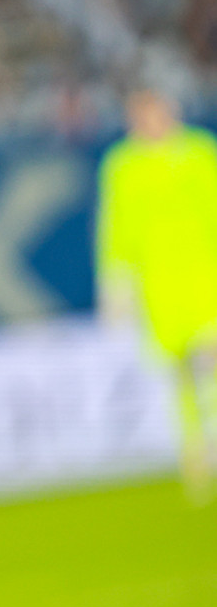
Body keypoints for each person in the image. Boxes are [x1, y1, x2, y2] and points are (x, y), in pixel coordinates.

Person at [96, 88, 217, 499]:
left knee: (211, 353)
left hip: (205, 272)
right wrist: (115, 282)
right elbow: (115, 225)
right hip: (158, 282)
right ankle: (194, 448)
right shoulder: (122, 165)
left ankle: (211, 433)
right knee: (178, 368)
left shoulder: (199, 152)